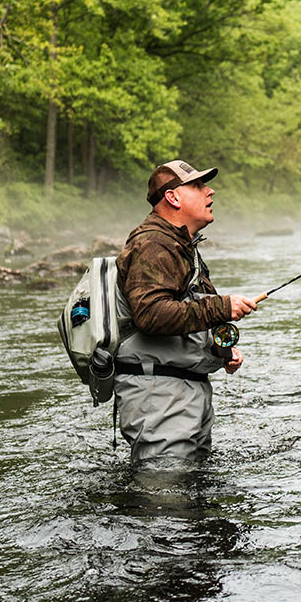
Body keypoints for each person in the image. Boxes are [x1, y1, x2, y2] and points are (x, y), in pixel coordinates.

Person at [112, 159, 267, 461]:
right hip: (159, 396)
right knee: (165, 499)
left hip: (182, 391)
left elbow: (190, 313)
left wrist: (221, 352)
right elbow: (150, 314)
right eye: (197, 185)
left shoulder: (181, 246)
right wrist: (223, 306)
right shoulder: (154, 244)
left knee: (188, 494)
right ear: (173, 197)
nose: (210, 191)